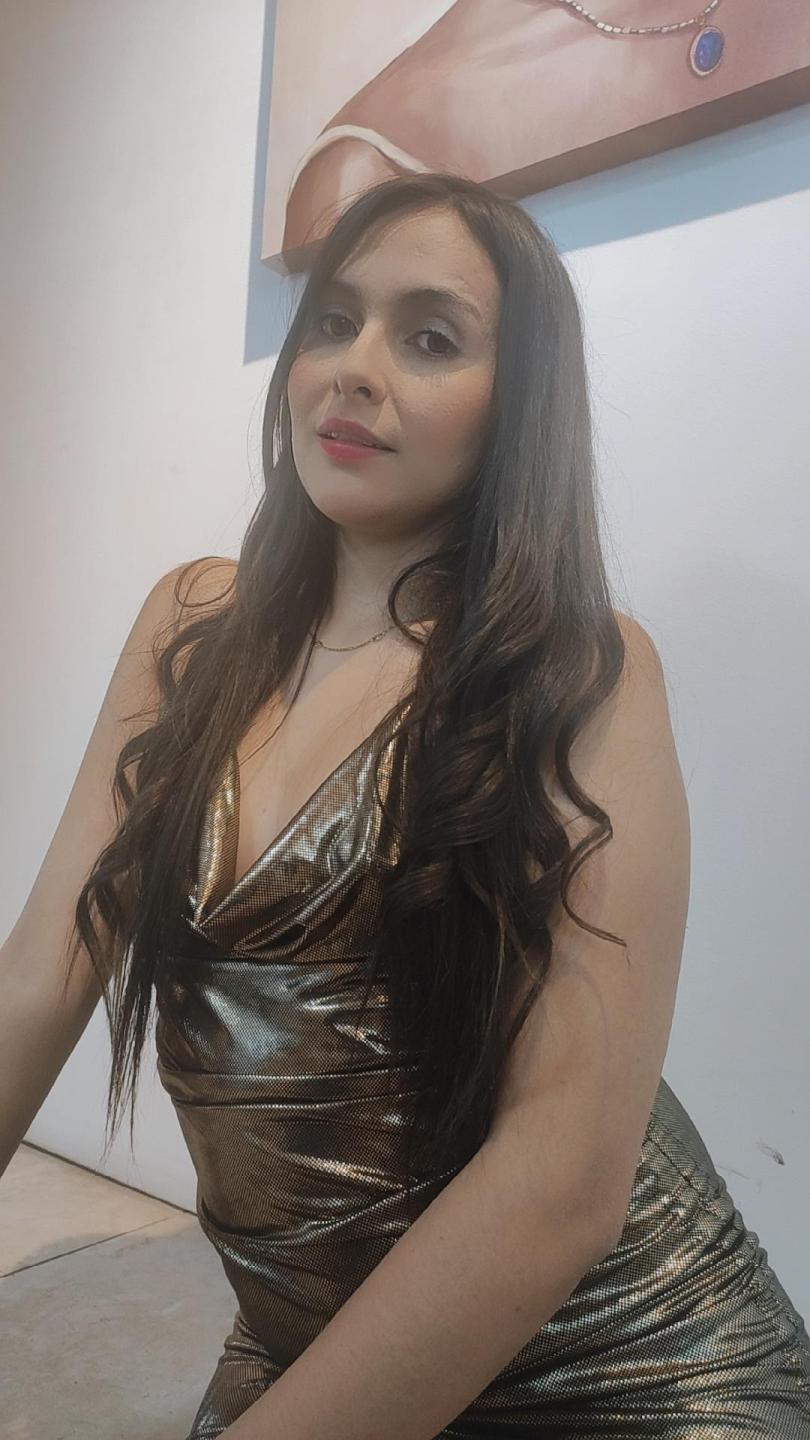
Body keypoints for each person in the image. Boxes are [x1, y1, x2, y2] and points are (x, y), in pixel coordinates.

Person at [1, 172, 808, 1439]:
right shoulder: (188, 627)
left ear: (518, 403)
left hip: (629, 1364)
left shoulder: (580, 673)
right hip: (317, 1333)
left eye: (430, 338)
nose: (353, 369)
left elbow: (562, 1183)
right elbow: (41, 976)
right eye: (333, 321)